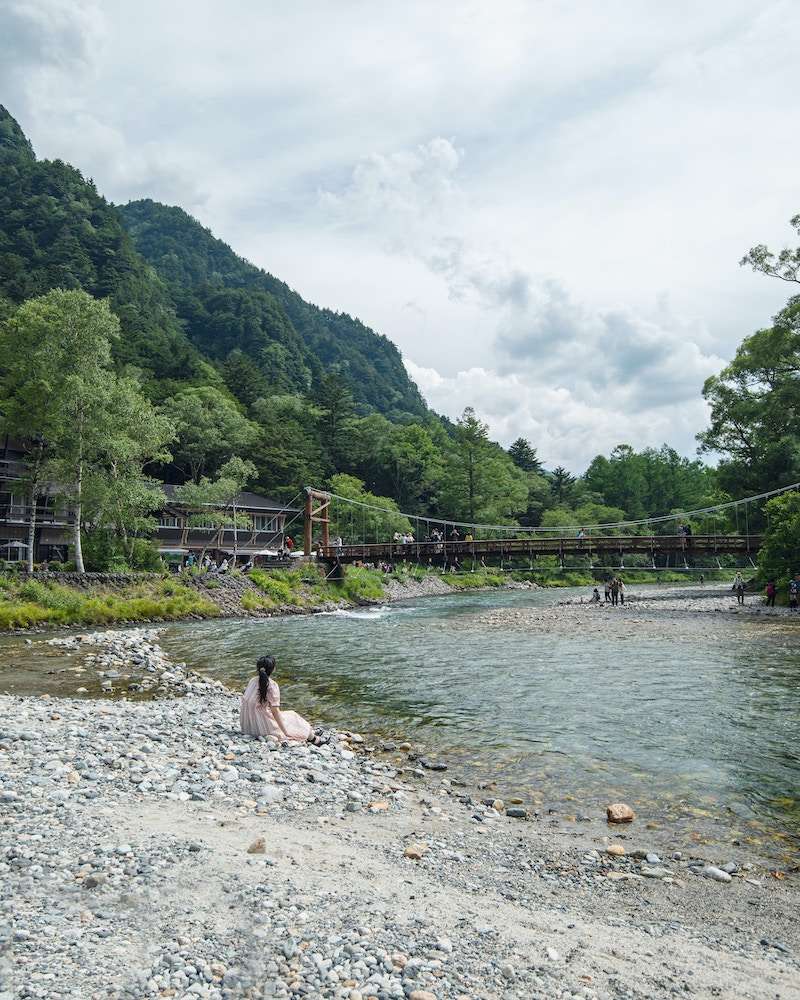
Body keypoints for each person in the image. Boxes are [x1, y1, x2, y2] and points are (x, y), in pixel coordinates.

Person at [240, 654, 316, 743]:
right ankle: (314, 739)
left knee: (288, 717)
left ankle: (310, 733)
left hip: (247, 726)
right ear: (273, 669)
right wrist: (285, 731)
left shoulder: (252, 680)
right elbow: (275, 711)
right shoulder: (272, 685)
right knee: (293, 716)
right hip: (260, 727)